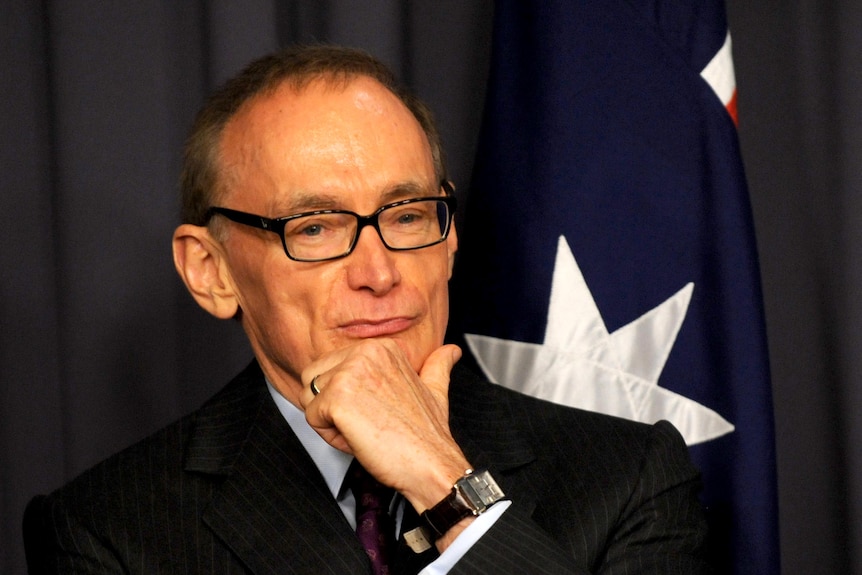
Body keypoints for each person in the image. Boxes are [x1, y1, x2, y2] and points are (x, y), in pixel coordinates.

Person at [23, 45, 709, 574]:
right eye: (315, 227)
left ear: (449, 242)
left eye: (408, 215)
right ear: (213, 272)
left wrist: (449, 489)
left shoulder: (629, 478)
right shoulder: (107, 529)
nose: (379, 272)